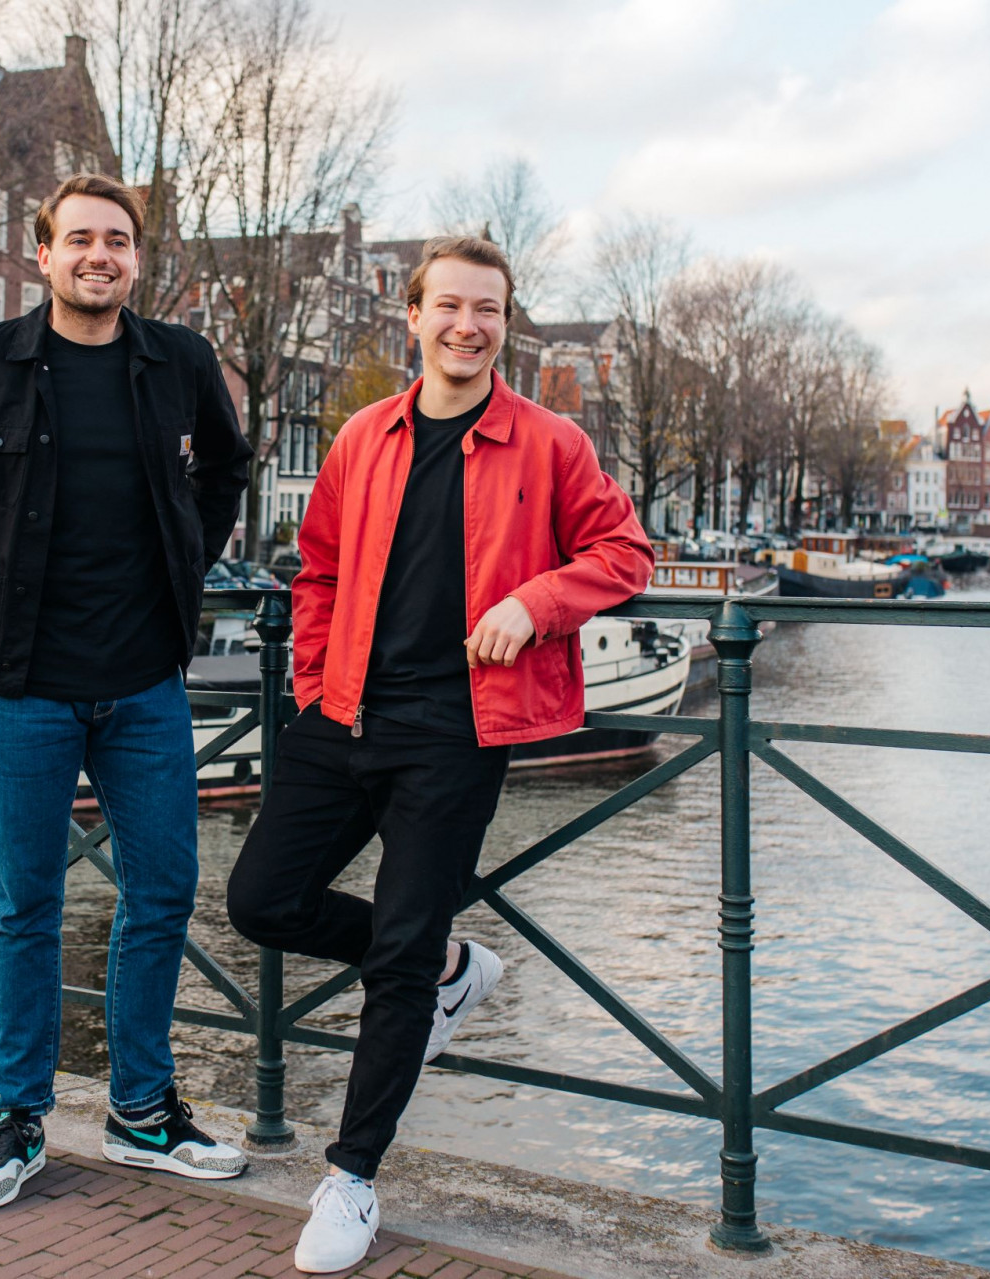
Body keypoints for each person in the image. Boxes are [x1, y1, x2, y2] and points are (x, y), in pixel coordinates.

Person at [224, 237, 654, 1273]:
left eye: (488, 310)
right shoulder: (362, 435)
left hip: (459, 731)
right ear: (413, 317)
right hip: (341, 714)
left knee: (400, 949)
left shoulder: (550, 442)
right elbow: (318, 570)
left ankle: (351, 1177)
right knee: (261, 901)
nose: (469, 325)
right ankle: (451, 970)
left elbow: (625, 552)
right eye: (450, 306)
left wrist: (534, 603)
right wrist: (315, 678)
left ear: (504, 323)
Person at [0, 173, 255, 1211]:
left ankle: (142, 1109)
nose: (98, 255)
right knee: (25, 902)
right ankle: (20, 1115)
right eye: (78, 239)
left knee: (162, 892)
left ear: (137, 258)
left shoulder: (180, 361)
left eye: (116, 240)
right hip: (22, 681)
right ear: (43, 254)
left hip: (145, 678)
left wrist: (187, 561)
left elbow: (227, 468)